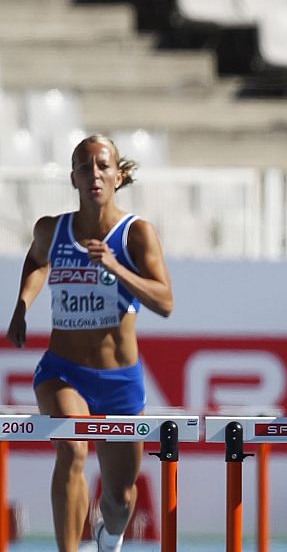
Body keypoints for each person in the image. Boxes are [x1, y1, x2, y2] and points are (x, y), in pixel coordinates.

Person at [5, 134, 173, 552]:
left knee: (121, 498)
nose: (94, 173)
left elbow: (165, 302)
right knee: (73, 450)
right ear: (73, 177)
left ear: (117, 175)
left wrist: (117, 269)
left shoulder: (136, 234)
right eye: (85, 166)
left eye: (102, 165)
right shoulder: (51, 229)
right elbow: (35, 260)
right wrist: (22, 306)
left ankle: (108, 534)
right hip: (63, 372)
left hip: (119, 382)